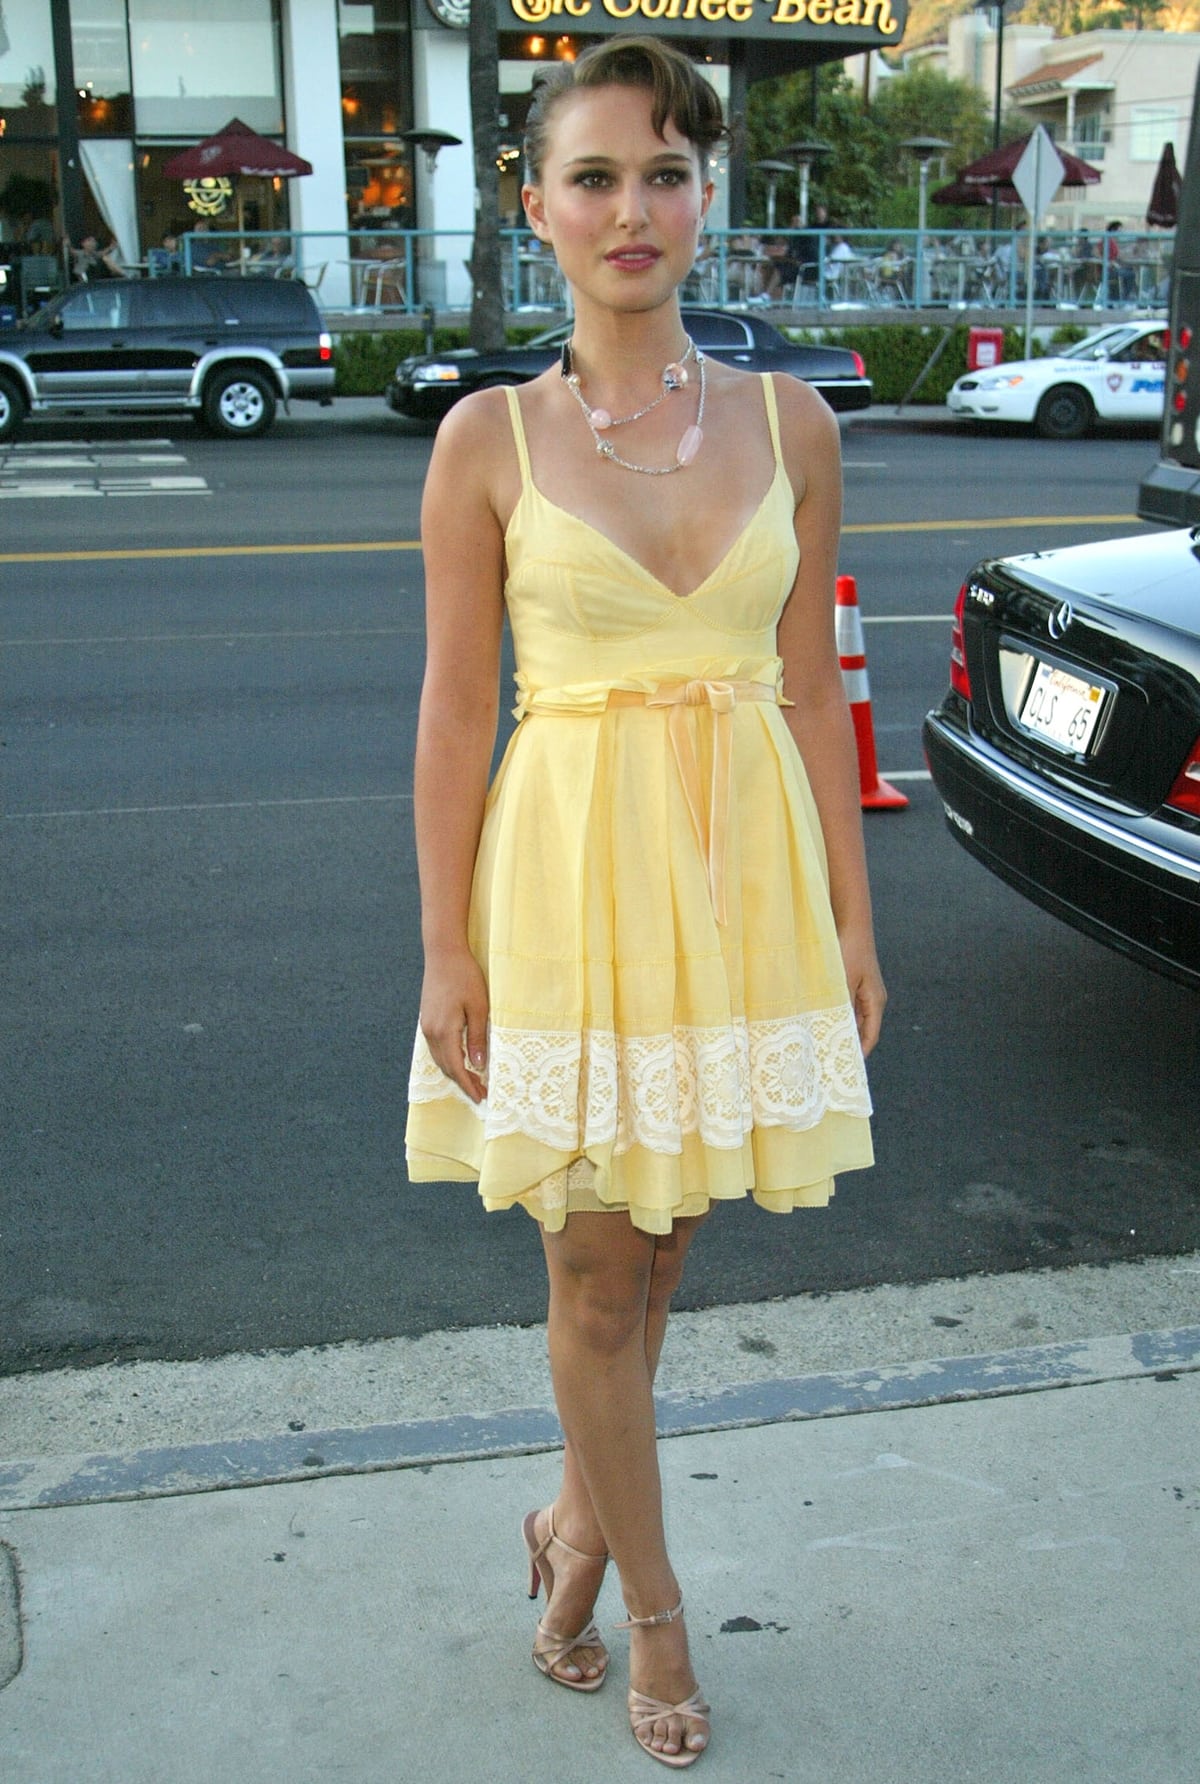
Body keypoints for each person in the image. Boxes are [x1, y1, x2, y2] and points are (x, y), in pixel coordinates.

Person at [405, 35, 884, 1771]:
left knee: (666, 1243)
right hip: (570, 893)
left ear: (706, 202)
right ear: (535, 208)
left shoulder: (793, 420)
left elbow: (815, 692)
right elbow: (460, 711)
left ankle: (571, 1530)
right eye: (595, 175)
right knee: (600, 1279)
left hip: (738, 885)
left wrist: (851, 920)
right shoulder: (487, 440)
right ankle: (651, 1605)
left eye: (666, 173)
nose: (633, 207)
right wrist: (446, 947)